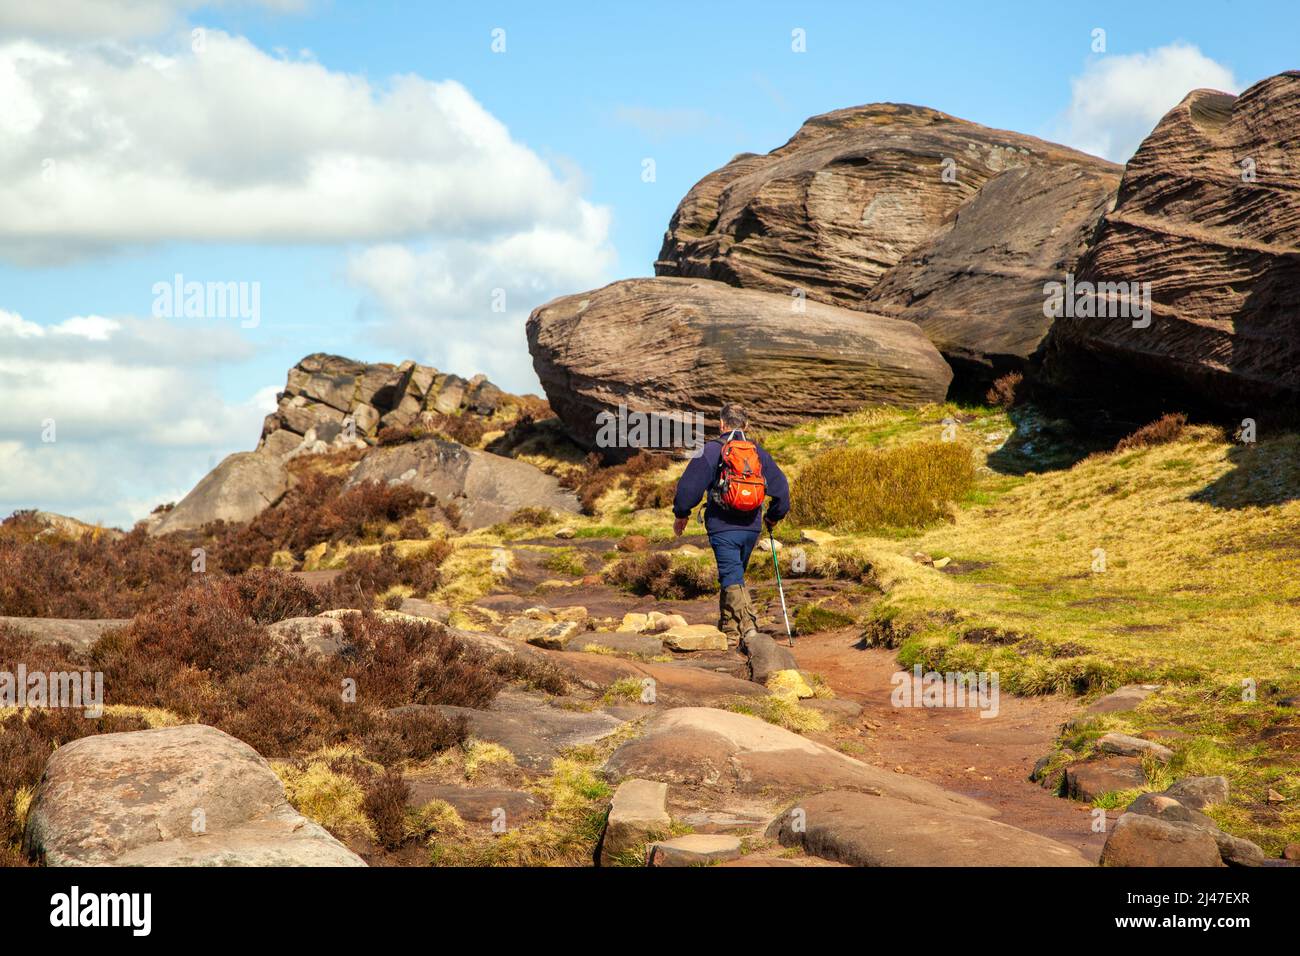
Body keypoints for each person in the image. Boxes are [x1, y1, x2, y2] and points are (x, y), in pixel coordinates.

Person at [671, 403, 790, 645]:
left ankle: (748, 627)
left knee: (732, 576)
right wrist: (773, 516)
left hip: (722, 526)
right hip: (752, 527)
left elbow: (687, 489)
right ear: (746, 425)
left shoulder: (712, 450)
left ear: (721, 425)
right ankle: (729, 629)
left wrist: (681, 514)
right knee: (732, 574)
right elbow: (782, 490)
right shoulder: (758, 453)